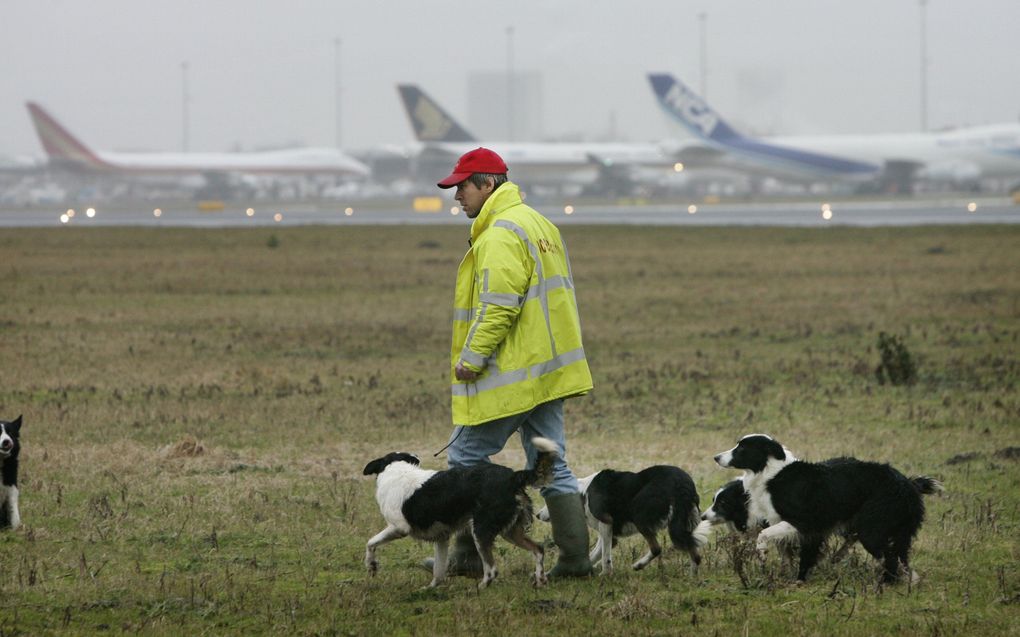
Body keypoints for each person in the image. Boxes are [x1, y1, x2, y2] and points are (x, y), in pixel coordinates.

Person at [428, 147, 595, 579]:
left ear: (488, 183)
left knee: (465, 456)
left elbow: (498, 305)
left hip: (512, 370)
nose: (456, 196)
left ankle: (467, 556)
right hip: (548, 371)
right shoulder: (539, 223)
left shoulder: (501, 233)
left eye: (462, 186)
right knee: (552, 462)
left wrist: (472, 358)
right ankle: (575, 560)